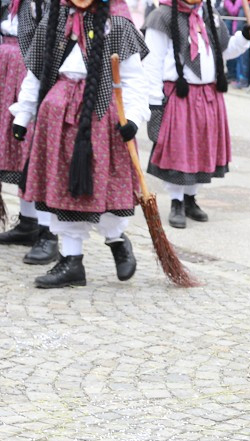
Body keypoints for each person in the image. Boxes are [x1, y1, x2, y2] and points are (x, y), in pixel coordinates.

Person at [13, 0, 150, 289]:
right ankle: (71, 261)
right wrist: (23, 114)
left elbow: (135, 80)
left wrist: (134, 119)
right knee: (63, 189)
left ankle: (117, 240)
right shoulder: (56, 18)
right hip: (57, 117)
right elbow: (36, 72)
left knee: (104, 187)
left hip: (103, 119)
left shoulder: (118, 22)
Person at [143, 0, 249, 229]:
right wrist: (154, 101)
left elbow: (224, 50)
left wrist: (244, 38)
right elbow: (153, 61)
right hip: (179, 94)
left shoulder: (209, 14)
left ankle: (191, 198)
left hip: (208, 94)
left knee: (201, 147)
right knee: (179, 149)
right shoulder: (162, 17)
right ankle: (176, 201)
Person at [0, 0, 59, 263]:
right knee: (12, 149)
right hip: (4, 74)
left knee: (34, 151)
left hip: (32, 73)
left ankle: (49, 231)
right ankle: (28, 223)